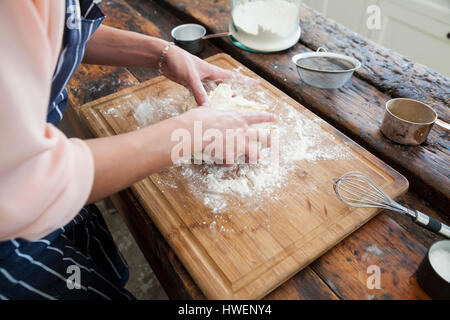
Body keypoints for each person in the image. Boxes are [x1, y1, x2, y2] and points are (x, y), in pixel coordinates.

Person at [0, 0, 274, 300]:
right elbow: (28, 182)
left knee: (99, 271)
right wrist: (188, 134)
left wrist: (160, 53)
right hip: (10, 238)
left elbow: (58, 28)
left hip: (41, 198)